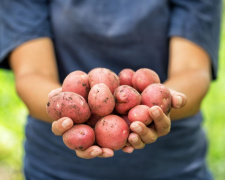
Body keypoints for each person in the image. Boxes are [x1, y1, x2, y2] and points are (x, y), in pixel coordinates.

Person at [0, 0, 222, 179]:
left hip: (173, 166)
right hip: (57, 168)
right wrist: (62, 106)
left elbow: (193, 71)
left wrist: (162, 106)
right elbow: (31, 74)